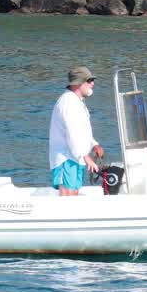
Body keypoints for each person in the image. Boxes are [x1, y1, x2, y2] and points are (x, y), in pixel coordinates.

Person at [48, 66, 104, 196]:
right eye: (89, 80)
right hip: (65, 158)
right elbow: (72, 134)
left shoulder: (77, 101)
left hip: (75, 158)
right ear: (78, 83)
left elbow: (82, 130)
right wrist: (86, 157)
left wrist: (94, 144)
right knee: (68, 195)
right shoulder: (68, 101)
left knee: (74, 194)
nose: (92, 83)